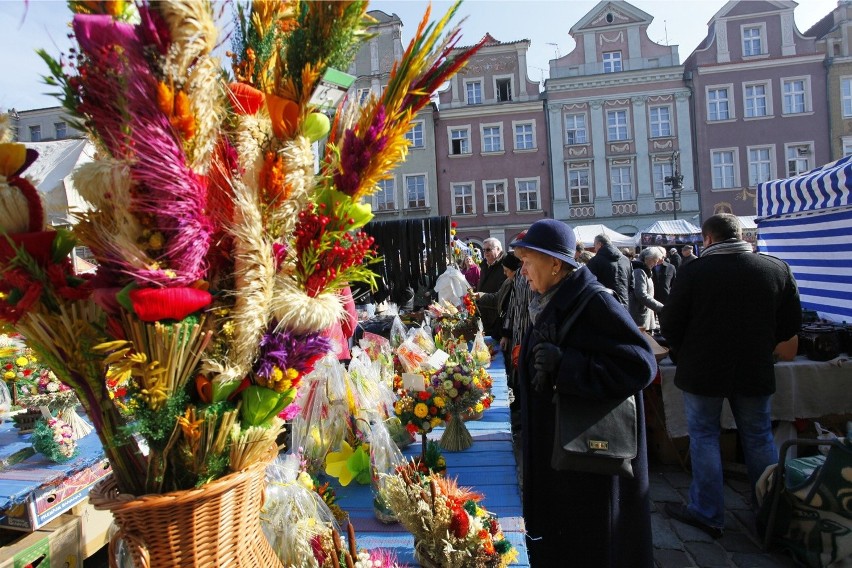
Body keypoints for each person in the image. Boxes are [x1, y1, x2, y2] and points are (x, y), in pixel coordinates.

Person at [511, 219, 657, 567]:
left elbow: (641, 365)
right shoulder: (553, 298)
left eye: (529, 262)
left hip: (589, 462)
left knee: (592, 546)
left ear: (556, 265)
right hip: (563, 454)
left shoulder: (592, 302)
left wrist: (568, 366)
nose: (524, 272)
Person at [660, 213, 802, 539]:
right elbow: (790, 323)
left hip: (703, 368)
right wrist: (763, 344)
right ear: (740, 235)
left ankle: (708, 512)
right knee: (758, 436)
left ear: (708, 239)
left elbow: (670, 322)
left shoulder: (695, 271)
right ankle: (769, 514)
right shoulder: (775, 268)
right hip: (754, 365)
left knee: (704, 435)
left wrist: (685, 351)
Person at [476, 252, 522, 372]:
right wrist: (480, 296)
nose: (504, 273)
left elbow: (514, 312)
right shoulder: (508, 282)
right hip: (504, 330)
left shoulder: (522, 285)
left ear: (516, 270)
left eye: (507, 270)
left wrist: (507, 334)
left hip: (513, 334)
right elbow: (497, 298)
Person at [586, 233, 631, 306]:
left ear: (599, 244)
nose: (594, 249)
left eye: (595, 246)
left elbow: (588, 285)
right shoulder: (626, 260)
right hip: (624, 306)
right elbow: (631, 286)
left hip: (605, 306)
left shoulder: (595, 261)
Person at [476, 237, 507, 339]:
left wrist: (481, 296)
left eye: (488, 249)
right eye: (484, 250)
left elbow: (502, 295)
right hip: (484, 314)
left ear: (498, 249)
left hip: (497, 317)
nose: (485, 252)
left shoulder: (505, 266)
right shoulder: (484, 264)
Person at [629, 247, 665, 331]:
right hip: (639, 316)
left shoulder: (645, 270)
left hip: (645, 315)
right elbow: (641, 294)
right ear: (648, 259)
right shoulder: (639, 271)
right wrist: (661, 307)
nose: (656, 264)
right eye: (655, 260)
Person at [323, 286, 358, 363]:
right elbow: (350, 317)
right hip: (336, 343)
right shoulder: (338, 279)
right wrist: (345, 335)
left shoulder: (296, 278)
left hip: (307, 349)